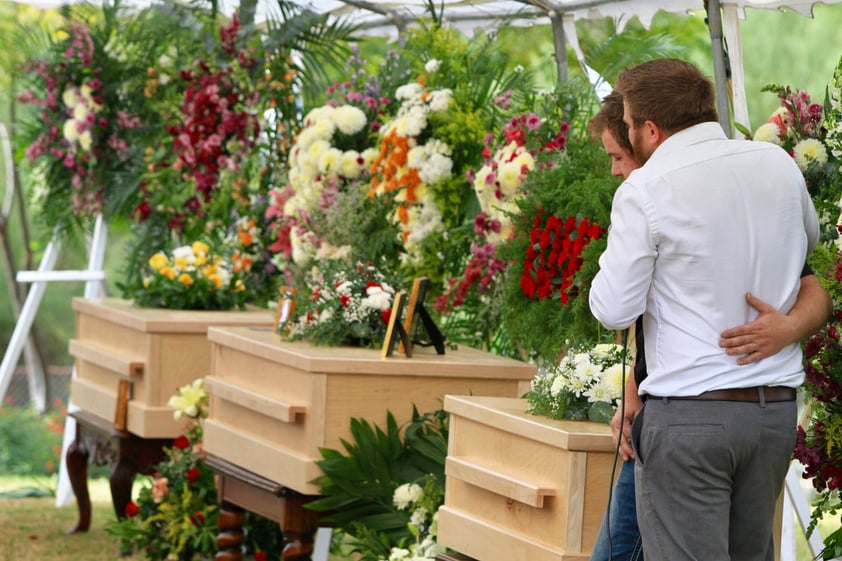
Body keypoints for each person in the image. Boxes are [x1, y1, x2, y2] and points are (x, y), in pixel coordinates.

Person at [588, 59, 830, 561]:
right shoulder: (777, 163)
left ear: (650, 129)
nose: (627, 135)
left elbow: (613, 308)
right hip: (774, 414)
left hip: (691, 417)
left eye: (629, 124)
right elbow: (805, 261)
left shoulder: (646, 188)